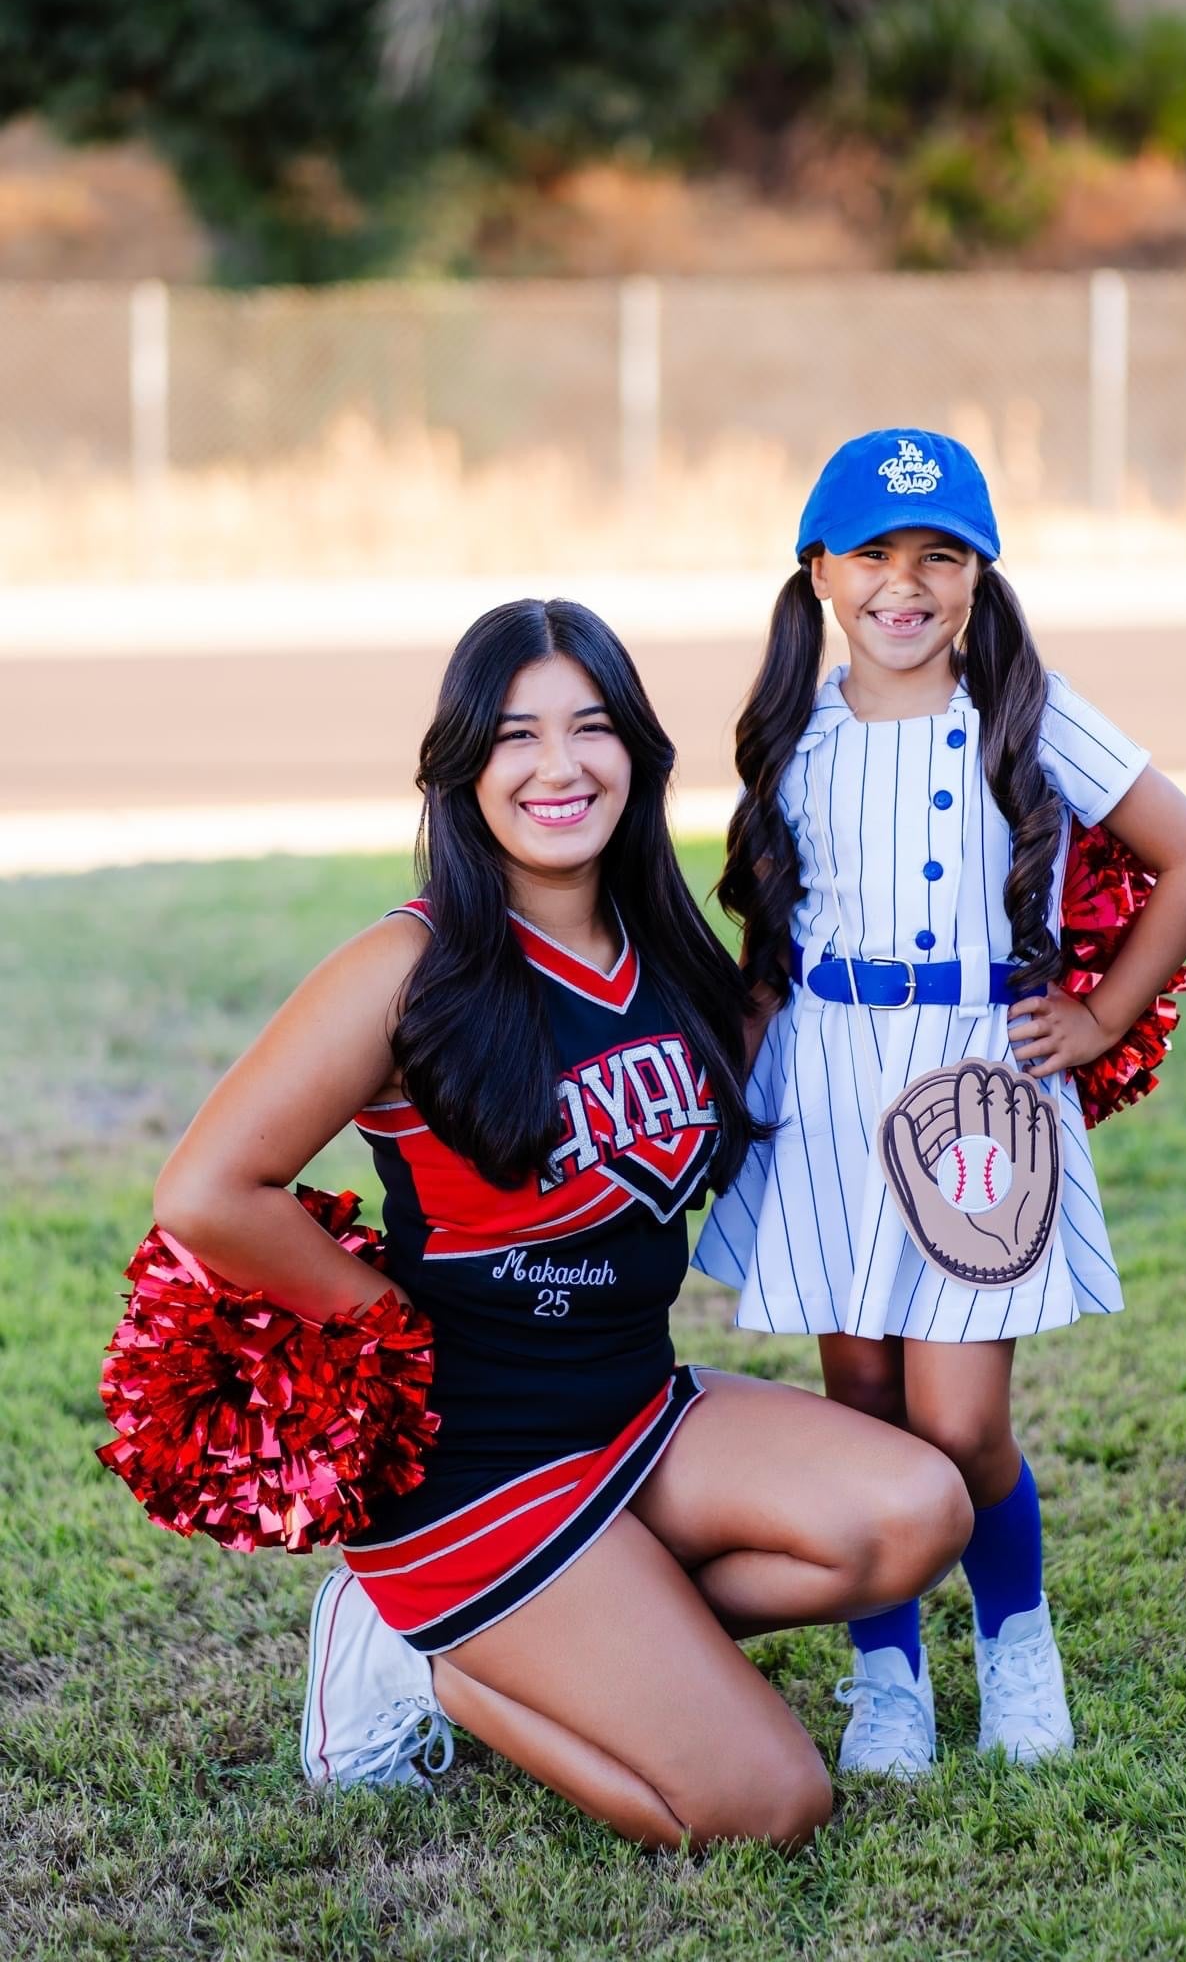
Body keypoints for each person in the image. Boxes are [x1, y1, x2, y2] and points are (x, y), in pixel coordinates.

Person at [153, 598, 972, 1850]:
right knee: (771, 1802)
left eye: (592, 728)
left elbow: (771, 1062)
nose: (557, 765)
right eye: (515, 734)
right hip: (474, 1467)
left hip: (636, 1418)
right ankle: (437, 1661)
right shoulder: (408, 964)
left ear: (636, 754)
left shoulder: (668, 947)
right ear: (463, 766)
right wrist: (382, 1320)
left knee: (921, 1509)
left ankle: (568, 1627)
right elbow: (207, 1189)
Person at [694, 430, 1186, 1779]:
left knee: (958, 1422)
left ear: (979, 576)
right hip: (825, 1086)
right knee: (864, 1403)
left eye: (940, 555)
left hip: (974, 1096)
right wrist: (728, 1101)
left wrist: (1104, 1016)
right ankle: (888, 1680)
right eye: (873, 552)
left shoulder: (1030, 714)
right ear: (818, 571)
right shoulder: (788, 736)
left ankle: (1015, 1642)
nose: (905, 582)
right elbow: (773, 944)